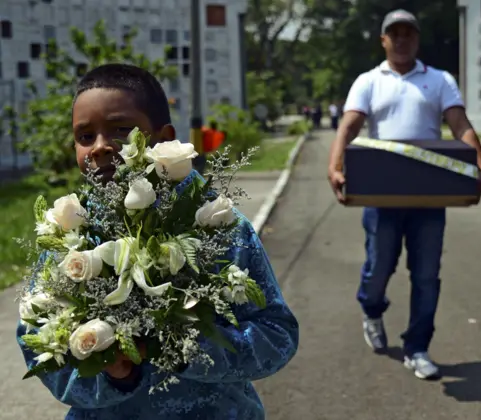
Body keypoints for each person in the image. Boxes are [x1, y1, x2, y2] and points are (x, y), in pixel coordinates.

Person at [16, 63, 299, 419]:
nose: (101, 147)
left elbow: (276, 335)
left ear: (163, 137)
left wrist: (186, 351)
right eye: (85, 136)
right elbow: (38, 344)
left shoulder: (216, 225)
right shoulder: (68, 236)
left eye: (120, 130)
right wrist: (113, 375)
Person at [327, 9, 481, 379]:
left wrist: (479, 160)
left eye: (408, 34)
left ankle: (417, 347)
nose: (401, 40)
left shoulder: (439, 80)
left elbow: (459, 123)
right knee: (378, 268)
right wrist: (334, 166)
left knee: (427, 275)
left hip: (429, 196)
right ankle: (371, 309)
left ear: (417, 39)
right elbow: (348, 127)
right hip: (382, 196)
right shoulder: (369, 81)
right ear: (383, 40)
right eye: (394, 34)